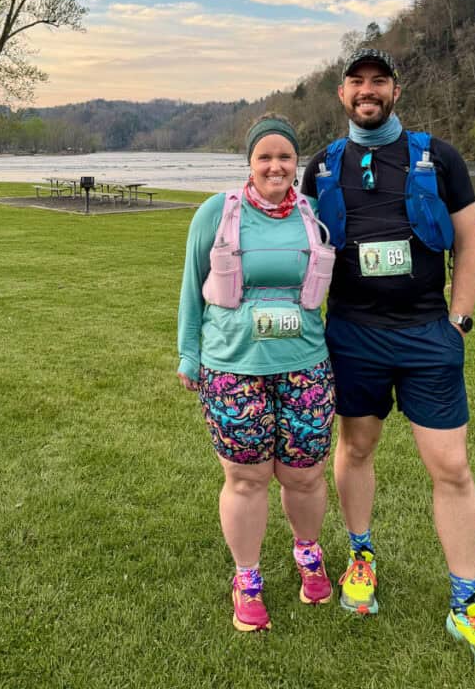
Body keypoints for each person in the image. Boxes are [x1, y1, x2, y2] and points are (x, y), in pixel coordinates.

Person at [301, 47, 475, 683]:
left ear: (395, 89)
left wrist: (459, 319)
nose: (367, 91)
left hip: (427, 334)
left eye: (378, 81)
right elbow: (298, 244)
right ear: (342, 95)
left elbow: (471, 242)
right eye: (356, 83)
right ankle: (361, 556)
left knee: (451, 466)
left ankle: (465, 603)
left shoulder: (440, 156)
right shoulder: (323, 165)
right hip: (353, 334)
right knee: (358, 446)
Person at [178, 114, 336, 632]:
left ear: (297, 163)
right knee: (246, 478)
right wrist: (189, 354)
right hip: (233, 369)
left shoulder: (312, 214)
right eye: (264, 156)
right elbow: (190, 285)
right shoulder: (216, 214)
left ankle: (307, 552)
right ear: (249, 162)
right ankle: (246, 578)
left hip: (305, 366)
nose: (275, 165)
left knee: (305, 474)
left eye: (285, 157)